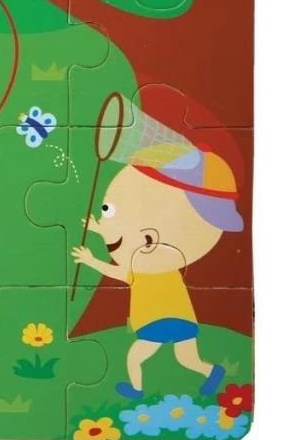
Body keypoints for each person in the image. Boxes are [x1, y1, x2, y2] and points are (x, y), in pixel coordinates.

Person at [71, 143, 243, 399]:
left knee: (136, 357)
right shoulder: (164, 264)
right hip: (182, 320)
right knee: (187, 359)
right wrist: (100, 230)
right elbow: (129, 239)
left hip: (156, 323)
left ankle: (137, 390)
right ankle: (212, 371)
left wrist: (90, 259)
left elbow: (122, 253)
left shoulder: (141, 268)